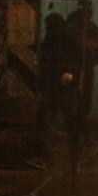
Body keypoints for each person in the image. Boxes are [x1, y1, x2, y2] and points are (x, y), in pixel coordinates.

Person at [28, 13, 82, 170]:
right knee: (70, 124)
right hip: (62, 88)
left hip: (55, 88)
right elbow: (77, 62)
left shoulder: (51, 41)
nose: (48, 28)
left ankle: (48, 158)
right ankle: (72, 159)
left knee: (46, 123)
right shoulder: (67, 41)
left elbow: (45, 64)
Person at [65, 0, 98, 168]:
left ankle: (80, 136)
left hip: (71, 70)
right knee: (80, 105)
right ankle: (80, 137)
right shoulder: (82, 29)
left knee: (78, 105)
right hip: (78, 69)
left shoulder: (71, 27)